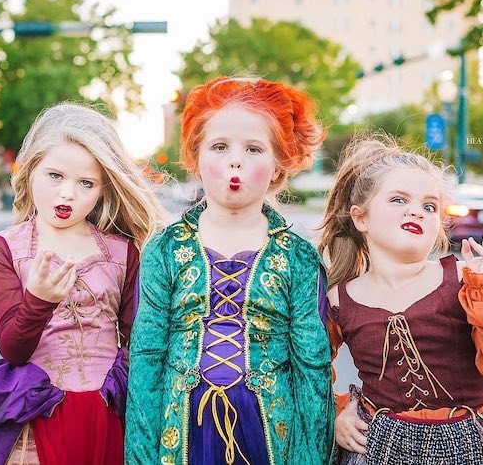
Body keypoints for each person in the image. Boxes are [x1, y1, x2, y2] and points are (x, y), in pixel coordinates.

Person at [126, 76, 334, 465]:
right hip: (183, 433)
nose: (234, 160)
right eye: (219, 146)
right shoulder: (165, 249)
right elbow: (146, 358)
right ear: (195, 159)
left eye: (254, 149)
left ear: (277, 167)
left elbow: (312, 368)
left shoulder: (298, 257)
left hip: (270, 432)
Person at [319, 137, 483, 465]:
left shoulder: (464, 280)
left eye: (430, 206)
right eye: (398, 199)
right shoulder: (338, 299)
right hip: (378, 447)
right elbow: (307, 372)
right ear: (361, 218)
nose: (416, 210)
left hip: (473, 442)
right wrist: (338, 413)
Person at [0, 102, 164, 465]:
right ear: (29, 172)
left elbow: (139, 342)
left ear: (103, 188)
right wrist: (39, 300)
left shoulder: (124, 253)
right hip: (36, 422)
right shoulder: (2, 251)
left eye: (85, 183)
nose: (67, 194)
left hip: (107, 416)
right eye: (54, 176)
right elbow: (14, 349)